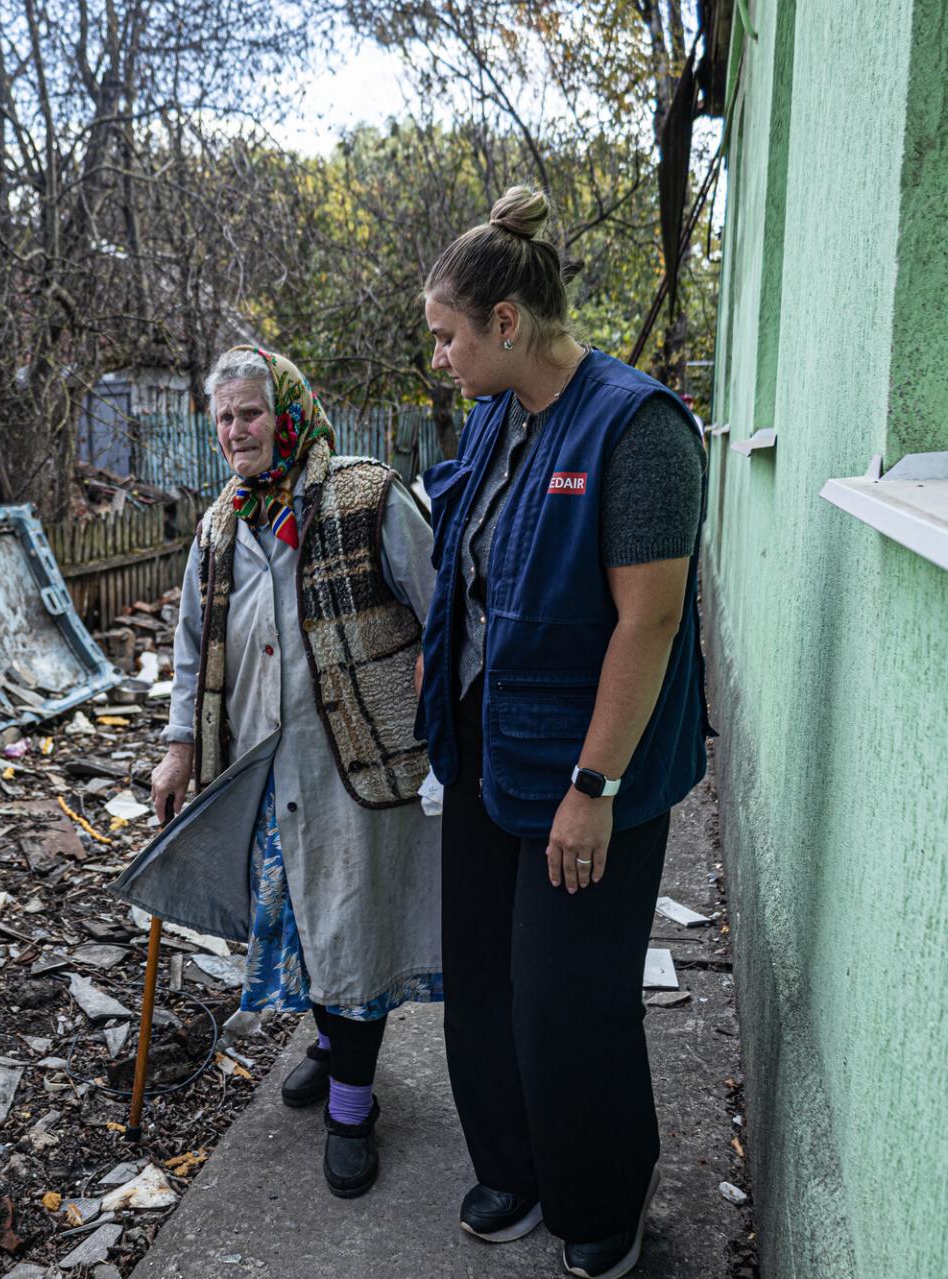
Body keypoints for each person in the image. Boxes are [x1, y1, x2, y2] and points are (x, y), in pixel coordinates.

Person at [413, 187, 709, 1279]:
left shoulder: (638, 427)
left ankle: (600, 1195)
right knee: (484, 976)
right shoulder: (498, 417)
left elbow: (654, 618)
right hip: (488, 742)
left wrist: (595, 783)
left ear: (505, 322)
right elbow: (477, 556)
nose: (438, 357)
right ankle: (518, 1166)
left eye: (447, 334)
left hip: (590, 765)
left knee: (566, 999)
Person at [127, 345, 442, 1199]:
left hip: (355, 756)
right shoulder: (221, 525)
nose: (235, 431)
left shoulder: (366, 495)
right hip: (263, 768)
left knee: (350, 923)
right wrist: (180, 747)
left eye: (250, 413)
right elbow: (193, 651)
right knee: (303, 920)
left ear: (288, 411)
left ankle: (352, 1108)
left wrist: (440, 695)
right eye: (224, 417)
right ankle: (334, 1045)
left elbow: (443, 602)